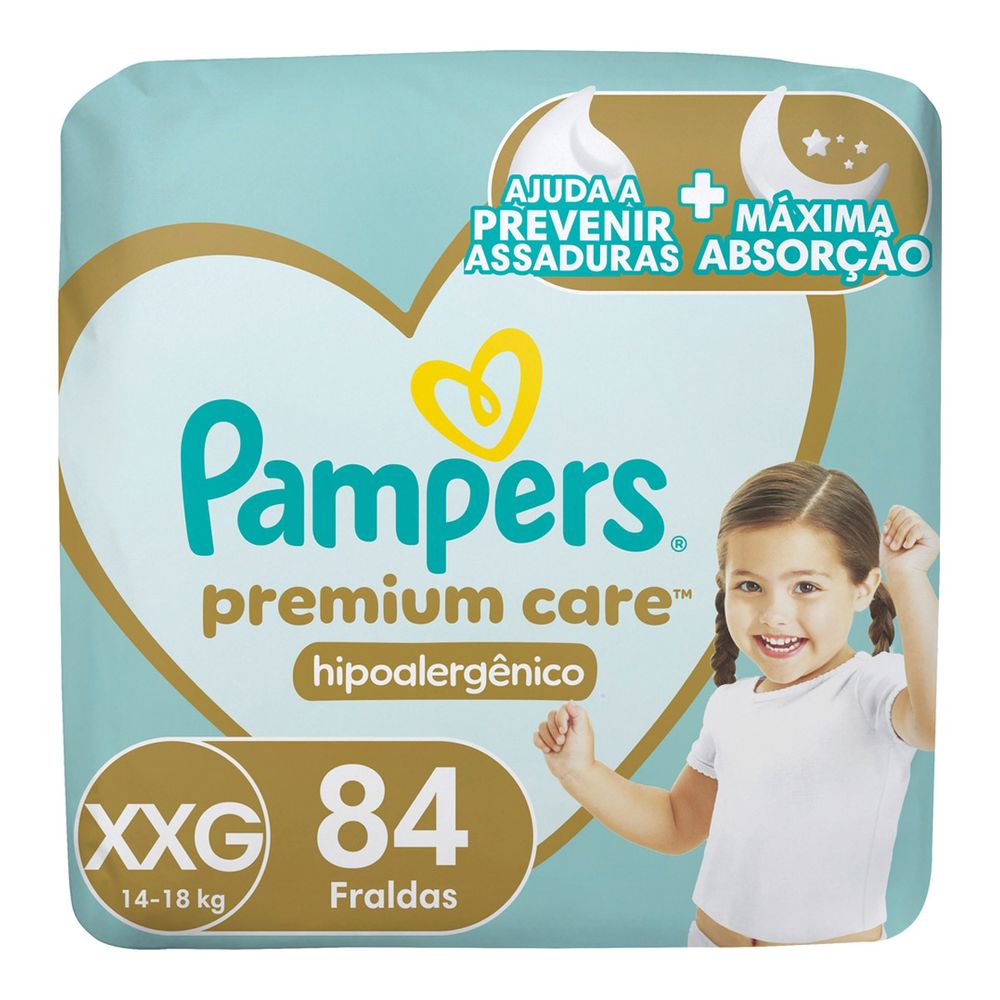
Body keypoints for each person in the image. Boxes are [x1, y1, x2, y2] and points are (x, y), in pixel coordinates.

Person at [533, 461, 938, 946]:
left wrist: (908, 577)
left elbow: (937, 724)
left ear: (863, 588)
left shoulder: (873, 685)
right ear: (724, 585)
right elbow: (677, 824)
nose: (773, 613)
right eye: (750, 586)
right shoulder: (730, 705)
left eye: (806, 587)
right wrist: (581, 772)